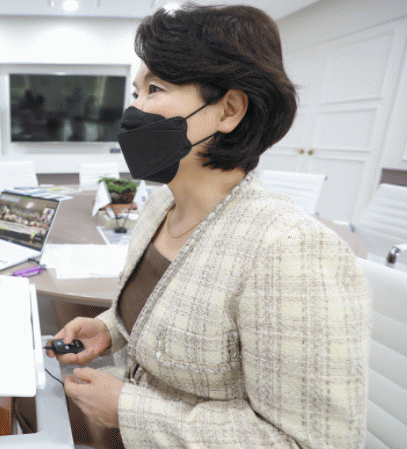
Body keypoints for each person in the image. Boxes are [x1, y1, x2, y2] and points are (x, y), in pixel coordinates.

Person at [47, 4, 371, 449]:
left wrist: (130, 410)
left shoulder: (290, 250)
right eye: (136, 92)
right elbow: (171, 313)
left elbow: (311, 442)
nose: (134, 110)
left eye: (154, 89)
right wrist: (110, 328)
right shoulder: (160, 207)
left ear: (228, 110)